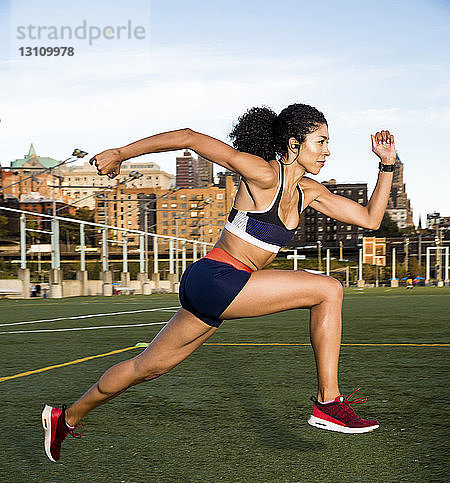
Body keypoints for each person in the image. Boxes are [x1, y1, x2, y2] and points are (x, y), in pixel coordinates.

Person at [41, 103, 396, 461]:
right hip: (218, 278)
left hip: (217, 287)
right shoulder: (263, 174)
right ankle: (328, 403)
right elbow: (189, 138)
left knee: (148, 367)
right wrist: (120, 153)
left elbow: (369, 219)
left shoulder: (311, 191)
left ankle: (65, 417)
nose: (327, 151)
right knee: (328, 289)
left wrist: (386, 165)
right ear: (293, 144)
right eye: (320, 142)